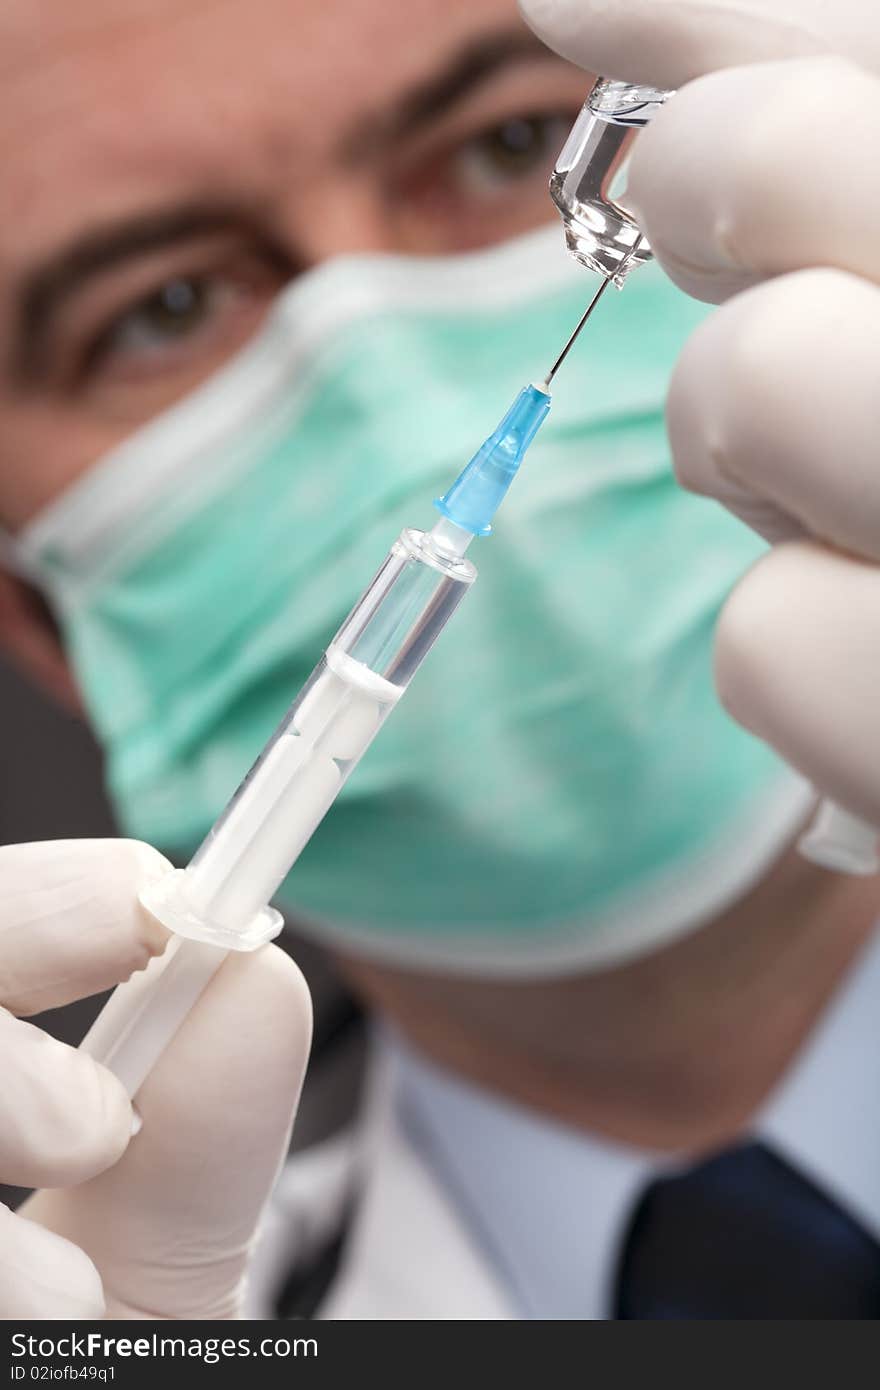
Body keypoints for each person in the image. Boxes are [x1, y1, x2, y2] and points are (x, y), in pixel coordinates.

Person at [1, 0, 879, 1319]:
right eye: (163, 308)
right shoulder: (129, 1301)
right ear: (37, 625)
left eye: (509, 141)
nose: (398, 395)